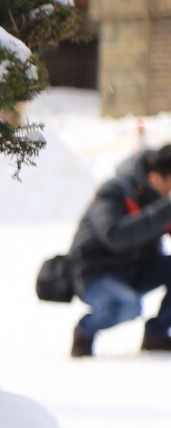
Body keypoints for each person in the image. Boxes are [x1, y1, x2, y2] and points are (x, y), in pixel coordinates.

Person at [68, 143, 171, 358]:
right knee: (128, 305)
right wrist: (167, 208)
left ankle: (157, 335)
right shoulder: (113, 192)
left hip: (134, 270)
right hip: (95, 274)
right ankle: (84, 332)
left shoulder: (159, 201)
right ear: (156, 177)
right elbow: (115, 236)